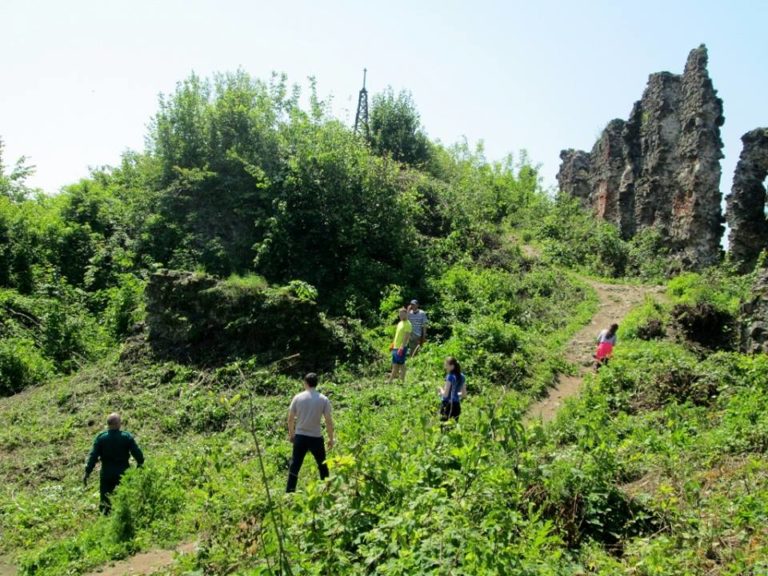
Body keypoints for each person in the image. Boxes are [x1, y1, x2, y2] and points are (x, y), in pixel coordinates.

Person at [84, 413, 144, 514]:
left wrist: (87, 472)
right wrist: (140, 464)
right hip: (123, 472)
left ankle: (105, 520)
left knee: (105, 501)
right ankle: (123, 518)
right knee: (124, 498)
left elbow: (93, 456)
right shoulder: (126, 437)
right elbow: (137, 453)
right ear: (117, 424)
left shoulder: (101, 438)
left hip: (107, 473)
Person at [286, 373, 335, 493]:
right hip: (316, 437)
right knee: (322, 464)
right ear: (316, 383)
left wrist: (292, 434)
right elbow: (328, 421)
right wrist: (331, 438)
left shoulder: (298, 397)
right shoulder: (323, 399)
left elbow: (291, 418)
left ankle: (290, 492)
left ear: (305, 383)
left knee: (295, 465)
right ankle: (327, 490)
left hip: (300, 436)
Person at [438, 357, 467, 421]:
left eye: (446, 365)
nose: (445, 367)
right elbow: (464, 394)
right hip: (457, 406)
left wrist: (440, 390)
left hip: (447, 405)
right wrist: (456, 394)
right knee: (453, 428)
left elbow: (445, 395)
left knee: (444, 427)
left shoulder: (450, 376)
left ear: (452, 366)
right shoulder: (462, 376)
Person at [388, 307, 412, 382]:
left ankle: (401, 381)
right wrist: (393, 344)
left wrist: (402, 347)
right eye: (399, 314)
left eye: (402, 314)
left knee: (401, 364)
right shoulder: (400, 323)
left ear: (406, 314)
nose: (400, 316)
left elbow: (406, 337)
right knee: (395, 364)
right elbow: (397, 335)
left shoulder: (408, 324)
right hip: (396, 346)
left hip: (401, 348)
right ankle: (391, 381)